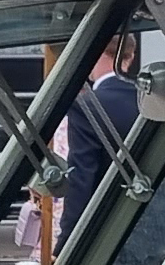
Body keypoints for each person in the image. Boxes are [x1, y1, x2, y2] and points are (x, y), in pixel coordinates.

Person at [55, 38, 141, 250]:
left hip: (106, 225)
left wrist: (67, 240)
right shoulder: (151, 100)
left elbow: (81, 177)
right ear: (130, 58)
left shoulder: (87, 106)